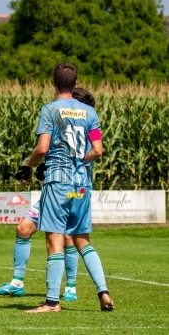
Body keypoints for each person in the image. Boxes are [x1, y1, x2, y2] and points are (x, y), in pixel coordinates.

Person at [0, 88, 96, 301]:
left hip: (70, 190)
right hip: (54, 188)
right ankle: (17, 283)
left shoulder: (84, 134)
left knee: (67, 237)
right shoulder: (65, 130)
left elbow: (69, 158)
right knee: (23, 228)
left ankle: (70, 288)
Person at [23, 64, 113, 313]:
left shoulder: (50, 110)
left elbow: (42, 148)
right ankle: (103, 291)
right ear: (75, 83)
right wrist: (79, 162)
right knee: (82, 240)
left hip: (58, 181)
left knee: (55, 241)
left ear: (53, 82)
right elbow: (97, 150)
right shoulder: (90, 112)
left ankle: (52, 302)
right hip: (81, 185)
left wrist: (28, 167)